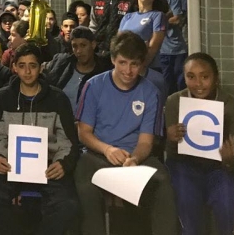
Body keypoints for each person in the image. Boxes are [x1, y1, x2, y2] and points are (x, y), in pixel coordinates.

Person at [74, 31, 176, 235]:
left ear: (142, 64)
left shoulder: (151, 92)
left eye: (134, 64)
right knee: (85, 189)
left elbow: (146, 142)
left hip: (136, 157)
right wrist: (107, 149)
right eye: (122, 63)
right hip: (97, 155)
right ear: (113, 60)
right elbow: (83, 133)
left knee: (163, 182)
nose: (128, 71)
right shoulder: (93, 86)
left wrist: (134, 159)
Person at [0, 43, 80, 235]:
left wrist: (63, 163)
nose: (27, 72)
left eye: (32, 65)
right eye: (22, 65)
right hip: (11, 166)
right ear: (14, 67)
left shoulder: (57, 98)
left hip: (48, 167)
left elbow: (68, 140)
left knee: (68, 204)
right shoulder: (2, 97)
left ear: (41, 67)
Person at [164, 53, 234, 235]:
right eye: (191, 77)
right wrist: (170, 138)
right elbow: (171, 154)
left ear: (216, 78)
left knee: (227, 202)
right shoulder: (175, 102)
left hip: (220, 168)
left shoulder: (233, 106)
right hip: (184, 166)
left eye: (205, 77)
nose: (198, 84)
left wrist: (230, 160)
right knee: (185, 202)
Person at [46, 26, 111, 113]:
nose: (78, 51)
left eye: (83, 45)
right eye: (75, 46)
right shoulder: (62, 63)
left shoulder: (104, 71)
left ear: (93, 45)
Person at [118, 0, 167, 70]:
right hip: (125, 69)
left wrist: (138, 68)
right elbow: (118, 44)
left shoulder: (158, 16)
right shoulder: (127, 17)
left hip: (147, 69)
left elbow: (153, 48)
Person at [160, 0, 188, 95]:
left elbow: (179, 18)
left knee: (180, 76)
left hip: (184, 39)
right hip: (179, 37)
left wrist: (160, 22)